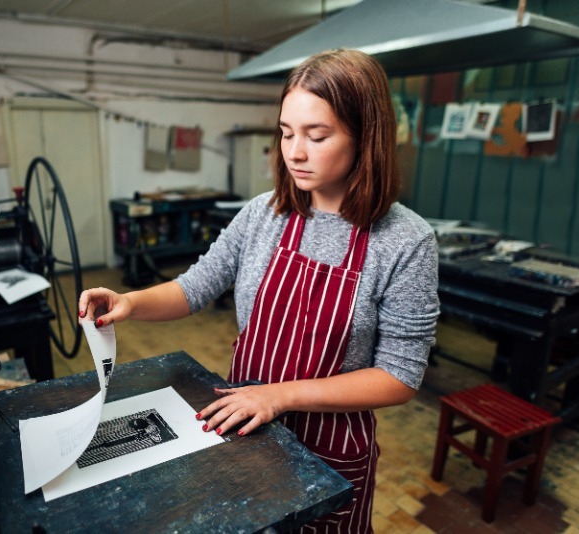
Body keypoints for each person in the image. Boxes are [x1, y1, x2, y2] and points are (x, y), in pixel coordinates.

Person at [79, 48, 439, 533]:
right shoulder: (264, 214)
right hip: (247, 427)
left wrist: (279, 396)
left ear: (366, 137)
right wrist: (132, 302)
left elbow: (400, 376)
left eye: (318, 135)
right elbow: (195, 287)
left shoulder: (405, 240)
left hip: (330, 446)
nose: (294, 152)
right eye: (287, 133)